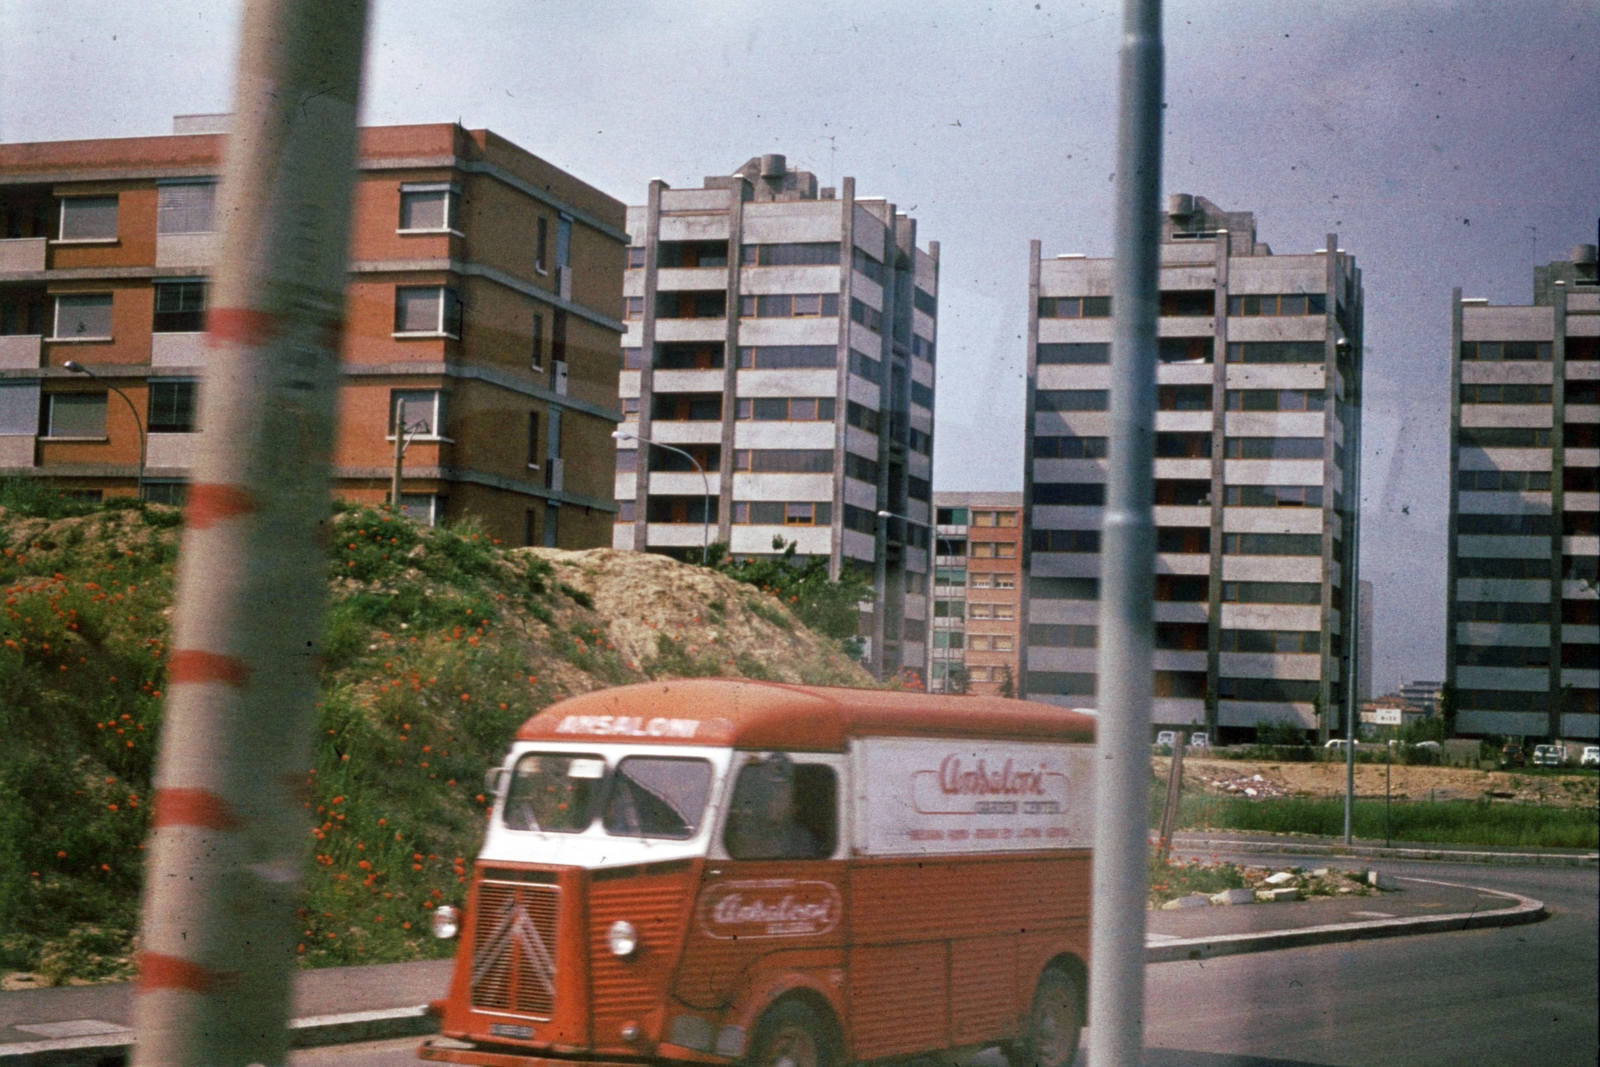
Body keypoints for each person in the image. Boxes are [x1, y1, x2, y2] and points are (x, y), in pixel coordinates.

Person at [723, 753, 820, 859]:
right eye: (771, 798)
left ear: (794, 807)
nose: (774, 804)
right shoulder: (747, 830)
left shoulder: (802, 838)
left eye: (781, 800)